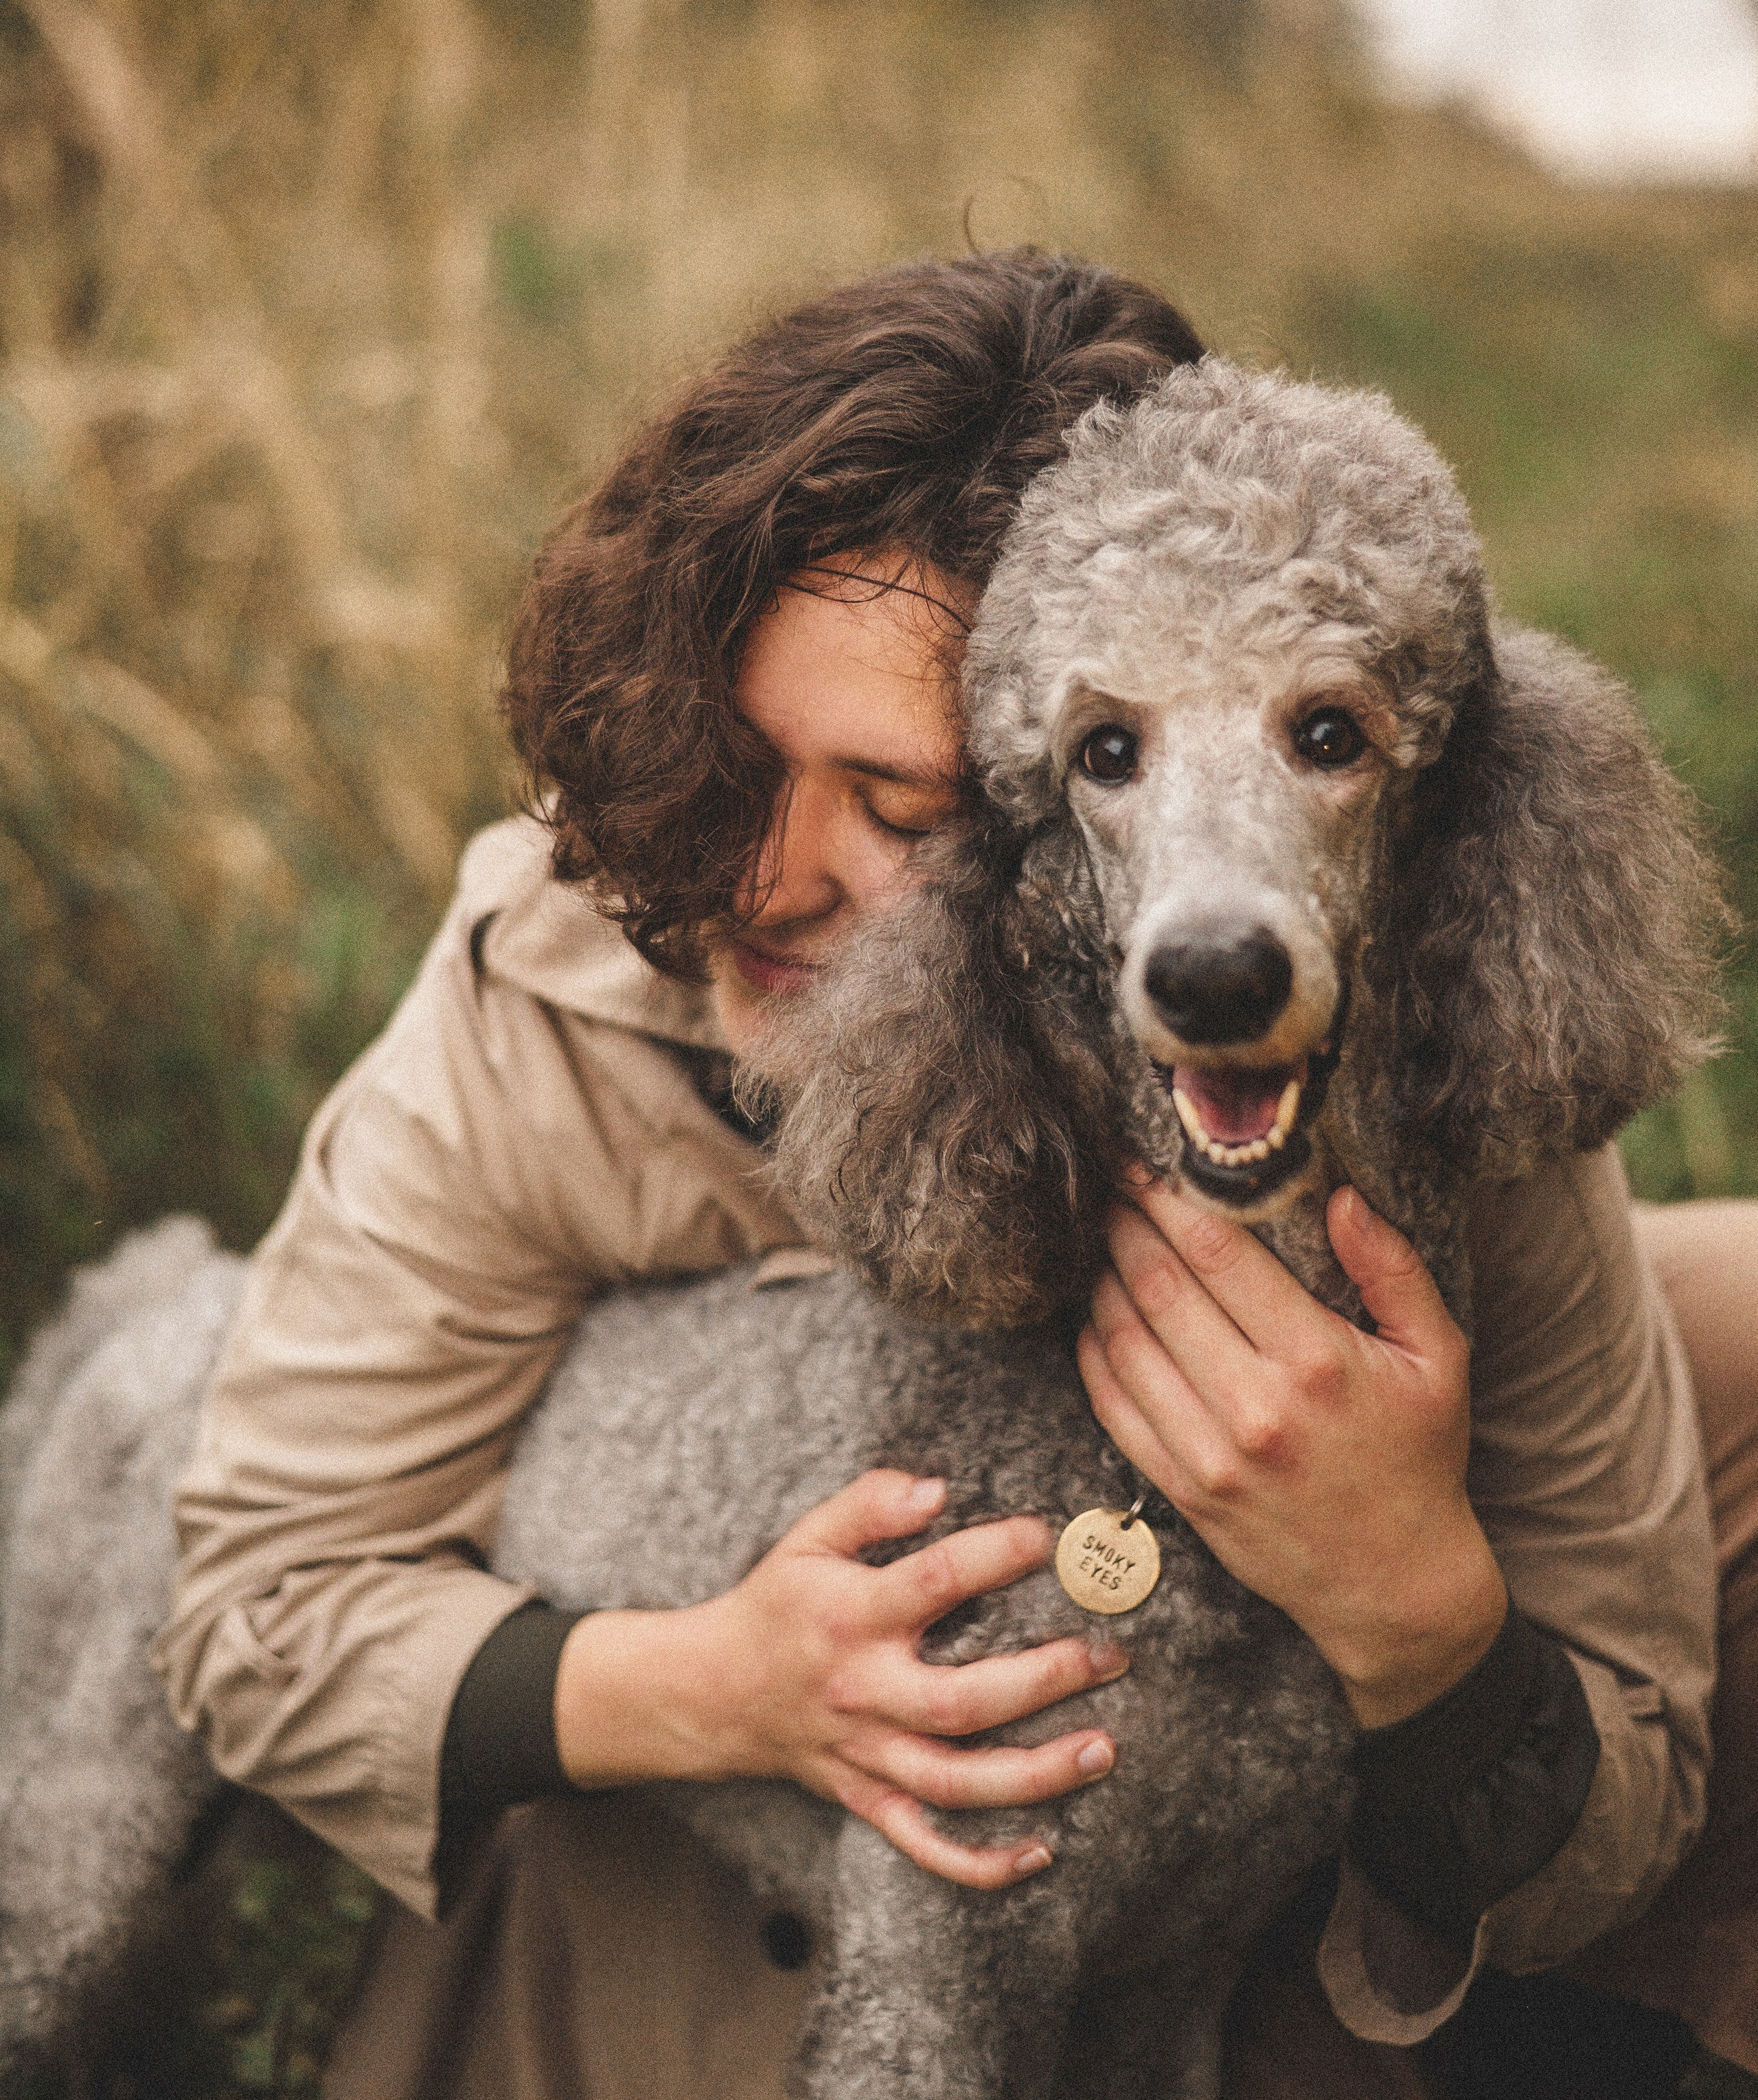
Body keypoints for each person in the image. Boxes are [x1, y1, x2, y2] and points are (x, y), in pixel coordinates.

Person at [152, 250, 1757, 2100]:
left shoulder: (1389, 982)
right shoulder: (565, 976)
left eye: (899, 807)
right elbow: (260, 1604)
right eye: (738, 753)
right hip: (712, 1902)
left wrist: (1418, 1607)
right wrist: (713, 1688)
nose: (761, 870)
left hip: (1241, 1897)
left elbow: (1636, 1752)